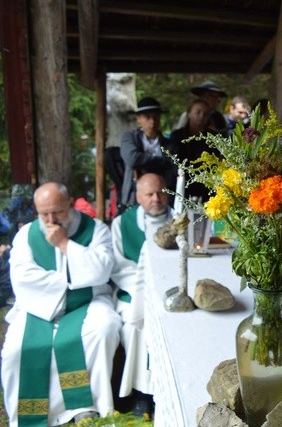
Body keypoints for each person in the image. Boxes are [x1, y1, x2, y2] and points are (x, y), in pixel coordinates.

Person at [2, 183, 121, 426]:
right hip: (39, 307)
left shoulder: (95, 229)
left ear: (70, 203)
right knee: (15, 350)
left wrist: (65, 245)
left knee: (103, 329)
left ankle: (87, 406)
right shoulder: (26, 235)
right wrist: (71, 281)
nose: (50, 219)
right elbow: (23, 278)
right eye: (43, 213)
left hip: (88, 302)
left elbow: (102, 270)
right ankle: (36, 412)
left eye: (57, 211)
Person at [110, 173, 172, 418]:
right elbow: (118, 266)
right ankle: (141, 395)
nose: (156, 199)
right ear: (138, 197)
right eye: (149, 194)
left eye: (160, 192)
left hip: (173, 291)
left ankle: (165, 391)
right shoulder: (121, 224)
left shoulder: (182, 219)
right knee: (135, 328)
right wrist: (145, 287)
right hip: (132, 293)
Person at [120, 97, 176, 211]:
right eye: (147, 117)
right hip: (133, 199)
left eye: (156, 117)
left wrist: (143, 163)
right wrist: (160, 160)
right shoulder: (129, 138)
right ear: (138, 119)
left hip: (161, 200)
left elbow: (173, 168)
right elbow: (132, 159)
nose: (152, 121)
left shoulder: (169, 144)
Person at [171, 99, 215, 201]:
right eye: (198, 112)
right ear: (189, 114)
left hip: (206, 186)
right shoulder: (177, 136)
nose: (201, 116)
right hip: (183, 184)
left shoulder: (213, 137)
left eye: (205, 113)